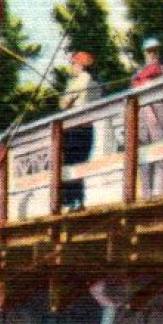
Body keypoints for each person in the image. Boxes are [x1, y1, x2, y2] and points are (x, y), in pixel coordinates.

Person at [131, 37, 163, 197]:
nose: (153, 54)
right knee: (144, 156)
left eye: (155, 51)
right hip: (143, 115)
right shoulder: (138, 74)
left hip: (160, 111)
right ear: (144, 53)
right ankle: (146, 195)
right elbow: (135, 88)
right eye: (150, 51)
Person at [58, 52, 102, 209]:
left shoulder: (80, 80)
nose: (72, 67)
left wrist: (66, 96)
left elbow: (63, 104)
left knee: (70, 163)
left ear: (80, 65)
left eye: (73, 64)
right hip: (88, 129)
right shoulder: (95, 83)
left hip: (75, 129)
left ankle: (72, 201)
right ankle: (79, 199)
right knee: (81, 162)